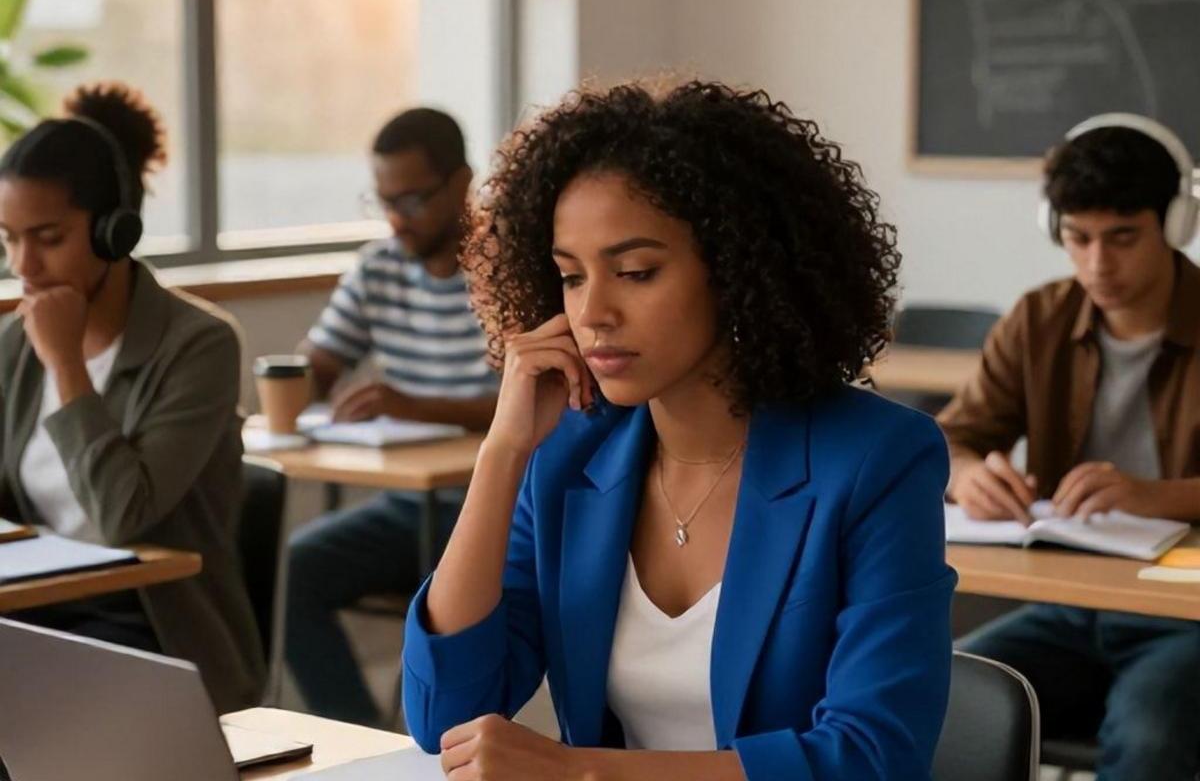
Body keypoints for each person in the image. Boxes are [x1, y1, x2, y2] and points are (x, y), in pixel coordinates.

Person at [400, 80, 956, 780]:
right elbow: (444, 714)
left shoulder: (877, 460)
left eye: (636, 272)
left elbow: (873, 758)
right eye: (571, 277)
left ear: (735, 267)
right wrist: (503, 451)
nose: (593, 312)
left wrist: (578, 772)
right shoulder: (569, 455)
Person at [941, 114, 1200, 781]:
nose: (1097, 264)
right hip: (1071, 600)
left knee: (1146, 738)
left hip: (1187, 615)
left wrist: (1155, 496)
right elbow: (952, 439)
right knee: (939, 699)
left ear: (1174, 225)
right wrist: (969, 475)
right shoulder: (1039, 317)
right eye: (1079, 239)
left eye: (1122, 238)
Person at [0, 82, 263, 713]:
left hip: (149, 625)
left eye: (48, 237)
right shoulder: (14, 343)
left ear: (115, 232)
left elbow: (124, 513)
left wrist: (66, 363)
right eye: (8, 239)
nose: (24, 266)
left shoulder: (198, 344)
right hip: (32, 609)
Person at [285, 108, 497, 726]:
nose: (395, 218)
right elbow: (317, 364)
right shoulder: (379, 267)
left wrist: (411, 405)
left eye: (411, 198)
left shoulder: (509, 271)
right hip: (407, 509)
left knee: (458, 609)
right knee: (296, 571)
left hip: (490, 510)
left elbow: (534, 404)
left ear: (462, 183)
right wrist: (296, 385)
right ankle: (361, 740)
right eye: (382, 200)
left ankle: (432, 745)